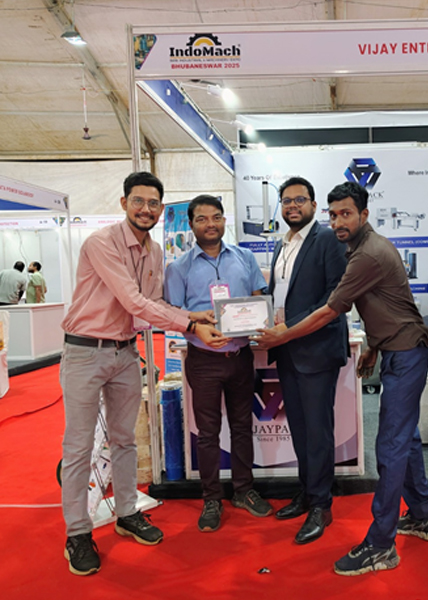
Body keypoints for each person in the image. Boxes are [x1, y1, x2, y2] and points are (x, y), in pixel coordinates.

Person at [255, 181, 428, 576]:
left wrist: (282, 336)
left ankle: (380, 545)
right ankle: (423, 517)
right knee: (405, 441)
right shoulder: (357, 248)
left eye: (347, 214)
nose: (339, 221)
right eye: (334, 214)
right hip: (396, 349)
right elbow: (386, 304)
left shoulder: (367, 253)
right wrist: (373, 345)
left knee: (390, 447)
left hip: (406, 355)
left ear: (364, 215)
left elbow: (329, 310)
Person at [60, 172, 226, 577]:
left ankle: (127, 513)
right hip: (85, 351)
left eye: (153, 203)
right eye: (138, 201)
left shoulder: (154, 252)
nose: (146, 209)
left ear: (161, 209)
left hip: (124, 353)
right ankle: (77, 532)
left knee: (125, 441)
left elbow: (151, 304)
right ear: (124, 203)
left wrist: (194, 315)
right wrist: (190, 325)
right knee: (79, 447)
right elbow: (132, 300)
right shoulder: (101, 243)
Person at [164, 194, 273, 534]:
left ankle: (244, 490)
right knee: (208, 433)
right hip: (203, 360)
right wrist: (197, 323)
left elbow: (258, 297)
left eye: (216, 217)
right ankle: (211, 498)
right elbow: (172, 313)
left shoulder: (244, 257)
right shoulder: (178, 268)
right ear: (191, 224)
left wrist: (256, 319)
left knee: (242, 427)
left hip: (240, 357)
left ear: (225, 220)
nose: (210, 224)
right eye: (202, 219)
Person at [267, 177, 349, 544]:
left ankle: (321, 505)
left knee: (317, 431)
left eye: (300, 200)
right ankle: (307, 491)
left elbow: (334, 299)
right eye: (286, 201)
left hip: (315, 350)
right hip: (287, 351)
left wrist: (288, 329)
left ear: (314, 206)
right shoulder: (282, 245)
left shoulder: (328, 239)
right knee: (299, 429)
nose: (292, 206)